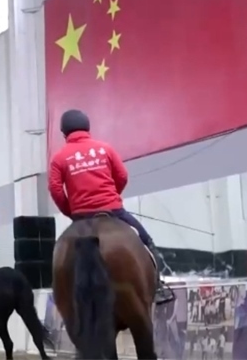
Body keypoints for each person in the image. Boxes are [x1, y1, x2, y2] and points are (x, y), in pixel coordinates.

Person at [47, 109, 174, 303]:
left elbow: (55, 190)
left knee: (61, 253)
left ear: (64, 133)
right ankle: (157, 287)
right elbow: (122, 176)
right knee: (145, 240)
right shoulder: (105, 149)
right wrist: (112, 198)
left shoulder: (59, 158)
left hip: (81, 217)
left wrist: (71, 212)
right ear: (87, 127)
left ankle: (61, 297)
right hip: (113, 211)